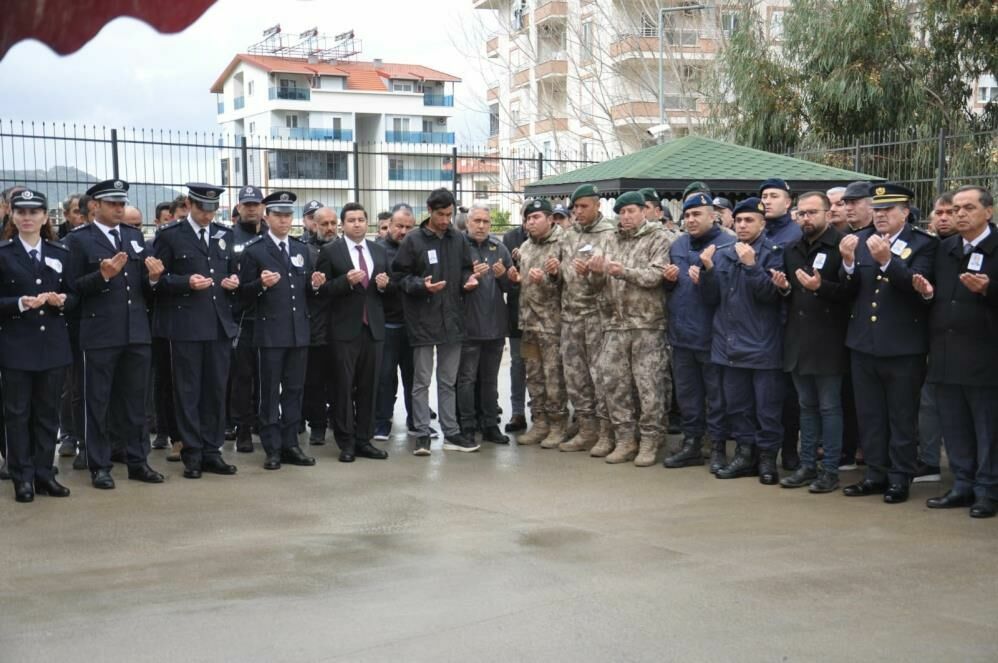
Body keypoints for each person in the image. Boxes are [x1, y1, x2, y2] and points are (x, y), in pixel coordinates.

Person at [839, 183, 938, 504]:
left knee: (901, 416)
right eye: (877, 210)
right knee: (870, 415)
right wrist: (849, 263)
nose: (880, 216)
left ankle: (900, 478)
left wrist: (887, 262)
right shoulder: (864, 240)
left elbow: (916, 287)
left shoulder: (923, 245)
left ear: (905, 213)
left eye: (888, 211)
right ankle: (875, 474)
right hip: (864, 345)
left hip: (902, 347)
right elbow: (850, 291)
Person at [64, 179, 165, 489]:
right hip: (99, 333)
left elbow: (145, 290)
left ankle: (137, 461)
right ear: (95, 206)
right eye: (113, 204)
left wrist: (154, 279)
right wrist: (102, 276)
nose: (119, 209)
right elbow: (71, 289)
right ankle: (99, 464)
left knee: (135, 402)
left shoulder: (134, 238)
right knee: (98, 402)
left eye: (122, 204)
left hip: (135, 332)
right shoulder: (79, 241)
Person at [917, 185, 996, 517]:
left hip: (985, 357)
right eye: (955, 208)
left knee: (987, 429)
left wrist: (990, 290)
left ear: (988, 212)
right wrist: (924, 293)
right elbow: (935, 294)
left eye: (968, 208)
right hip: (946, 353)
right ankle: (962, 485)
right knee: (955, 425)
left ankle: (988, 491)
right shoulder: (946, 248)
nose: (960, 214)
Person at [152, 183, 240, 479]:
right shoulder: (170, 236)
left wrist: (231, 282)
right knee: (188, 391)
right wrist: (184, 283)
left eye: (213, 210)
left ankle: (212, 451)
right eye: (202, 209)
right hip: (186, 325)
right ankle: (192, 452)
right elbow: (155, 281)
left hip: (218, 324)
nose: (207, 215)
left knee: (215, 390)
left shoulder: (224, 235)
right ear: (189, 205)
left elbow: (229, 272)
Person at [699, 197, 786, 485]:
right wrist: (708, 271)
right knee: (738, 407)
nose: (743, 225)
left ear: (763, 223)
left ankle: (767, 460)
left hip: (762, 346)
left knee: (766, 409)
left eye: (750, 220)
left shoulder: (773, 253)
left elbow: (770, 297)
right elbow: (712, 299)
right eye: (738, 221)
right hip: (728, 345)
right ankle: (745, 456)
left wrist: (752, 266)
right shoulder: (724, 253)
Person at [391, 188, 479, 455]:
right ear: (429, 211)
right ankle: (421, 432)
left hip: (452, 320)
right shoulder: (414, 240)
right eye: (440, 214)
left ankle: (451, 432)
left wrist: (468, 280)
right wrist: (421, 285)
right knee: (421, 381)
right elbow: (399, 275)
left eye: (449, 215)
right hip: (423, 320)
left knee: (447, 380)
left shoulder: (458, 239)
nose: (445, 220)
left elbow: (466, 267)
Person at [0, 189, 74, 502]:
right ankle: (23, 477)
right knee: (17, 414)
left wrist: (63, 300)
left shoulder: (60, 253)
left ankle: (45, 473)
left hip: (52, 345)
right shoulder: (3, 253)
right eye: (21, 212)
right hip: (16, 345)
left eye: (34, 212)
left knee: (47, 414)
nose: (27, 218)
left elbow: (75, 295)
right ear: (12, 216)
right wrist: (17, 303)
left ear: (45, 217)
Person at [588, 191, 671, 466]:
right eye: (622, 212)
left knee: (649, 385)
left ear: (644, 212)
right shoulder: (609, 239)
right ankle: (625, 438)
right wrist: (596, 272)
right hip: (614, 323)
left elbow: (656, 275)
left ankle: (650, 440)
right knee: (613, 383)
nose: (626, 217)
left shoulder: (658, 238)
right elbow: (595, 286)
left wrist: (623, 271)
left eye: (631, 211)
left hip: (647, 324)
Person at [238, 190, 317, 470]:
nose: (284, 221)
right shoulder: (255, 250)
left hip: (298, 332)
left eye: (288, 215)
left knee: (294, 390)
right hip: (269, 333)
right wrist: (260, 285)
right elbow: (241, 296)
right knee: (269, 392)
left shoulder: (300, 249)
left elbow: (305, 292)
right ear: (266, 216)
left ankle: (290, 444)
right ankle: (272, 447)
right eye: (278, 215)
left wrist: (315, 285)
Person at [776, 192, 850, 493]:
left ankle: (830, 469)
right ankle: (807, 464)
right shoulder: (792, 248)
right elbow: (792, 294)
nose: (806, 218)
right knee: (806, 406)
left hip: (829, 340)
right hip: (798, 339)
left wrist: (822, 287)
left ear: (826, 213)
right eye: (801, 213)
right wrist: (782, 289)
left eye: (812, 213)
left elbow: (850, 291)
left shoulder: (841, 245)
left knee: (829, 407)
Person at [661, 193, 735, 472]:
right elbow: (675, 288)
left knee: (716, 397)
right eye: (687, 215)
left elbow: (727, 292)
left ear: (712, 216)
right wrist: (668, 282)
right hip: (681, 335)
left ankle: (716, 448)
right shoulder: (678, 244)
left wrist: (707, 276)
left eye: (697, 215)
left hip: (712, 335)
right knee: (688, 395)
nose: (691, 220)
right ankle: (691, 444)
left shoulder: (727, 243)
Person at [315, 202, 390, 462]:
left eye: (361, 219)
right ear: (342, 225)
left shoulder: (378, 251)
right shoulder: (330, 251)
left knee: (370, 386)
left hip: (373, 328)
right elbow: (321, 291)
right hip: (344, 329)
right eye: (351, 220)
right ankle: (345, 442)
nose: (357, 224)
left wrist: (383, 286)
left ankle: (364, 439)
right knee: (343, 387)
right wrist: (345, 282)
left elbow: (388, 292)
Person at [557, 183, 616, 454]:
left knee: (600, 377)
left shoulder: (611, 234)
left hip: (598, 316)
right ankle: (586, 427)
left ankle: (606, 432)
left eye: (584, 206)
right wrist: (555, 271)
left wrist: (594, 273)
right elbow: (561, 275)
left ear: (598, 205)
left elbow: (615, 276)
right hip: (570, 316)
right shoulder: (567, 236)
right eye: (575, 207)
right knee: (575, 376)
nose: (578, 212)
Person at [506, 199, 566, 447]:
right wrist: (516, 278)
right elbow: (525, 283)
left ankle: (558, 425)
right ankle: (539, 422)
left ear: (550, 218)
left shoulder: (563, 243)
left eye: (536, 217)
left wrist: (553, 275)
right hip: (529, 324)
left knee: (554, 378)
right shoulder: (526, 247)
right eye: (528, 218)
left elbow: (571, 283)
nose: (530, 222)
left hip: (552, 326)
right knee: (534, 377)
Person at [456, 205, 514, 444]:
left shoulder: (498, 247)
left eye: (485, 222)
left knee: (490, 380)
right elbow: (447, 282)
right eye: (476, 221)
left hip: (495, 327)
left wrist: (504, 276)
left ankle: (490, 424)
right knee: (466, 380)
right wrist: (466, 280)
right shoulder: (457, 247)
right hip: (467, 326)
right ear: (467, 223)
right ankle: (467, 425)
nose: (481, 226)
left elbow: (512, 287)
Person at [914, 190, 959, 484]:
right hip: (931, 338)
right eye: (938, 212)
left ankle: (966, 469)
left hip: (971, 343)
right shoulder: (929, 247)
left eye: (950, 212)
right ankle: (929, 461)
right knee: (928, 403)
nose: (943, 218)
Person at [759, 178, 803, 470]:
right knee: (763, 394)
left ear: (788, 202)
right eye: (764, 196)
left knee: (788, 396)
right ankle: (762, 452)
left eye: (775, 196)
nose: (768, 201)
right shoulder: (755, 230)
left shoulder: (796, 234)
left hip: (787, 323)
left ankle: (789, 450)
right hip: (759, 324)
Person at [228, 185, 266, 453]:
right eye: (247, 204)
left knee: (268, 377)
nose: (252, 208)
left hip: (271, 316)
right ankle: (242, 429)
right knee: (243, 377)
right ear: (239, 207)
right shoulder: (229, 237)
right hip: (242, 317)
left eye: (256, 204)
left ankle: (263, 424)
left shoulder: (271, 234)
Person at [374, 203, 417, 440]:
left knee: (415, 378)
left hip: (413, 326)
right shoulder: (377, 250)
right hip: (387, 325)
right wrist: (384, 286)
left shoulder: (417, 248)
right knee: (385, 378)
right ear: (389, 225)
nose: (403, 231)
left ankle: (415, 422)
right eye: (399, 226)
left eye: (408, 227)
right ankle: (382, 423)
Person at [302, 205, 338, 445]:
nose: (329, 228)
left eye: (333, 223)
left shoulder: (345, 249)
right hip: (315, 325)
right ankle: (316, 426)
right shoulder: (304, 251)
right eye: (323, 224)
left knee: (340, 380)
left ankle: (339, 419)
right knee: (313, 380)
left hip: (341, 325)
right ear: (313, 225)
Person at [502, 215, 529, 434]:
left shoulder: (557, 240)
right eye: (528, 217)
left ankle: (544, 413)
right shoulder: (510, 238)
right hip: (517, 312)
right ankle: (518, 412)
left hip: (547, 317)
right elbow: (503, 274)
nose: (531, 222)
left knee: (545, 367)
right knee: (518, 364)